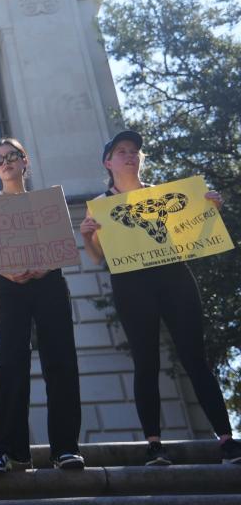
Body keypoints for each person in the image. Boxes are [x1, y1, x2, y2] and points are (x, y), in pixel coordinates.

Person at [80, 130, 241, 466]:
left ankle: (226, 441)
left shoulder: (170, 195)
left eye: (135, 151)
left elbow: (198, 235)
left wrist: (210, 209)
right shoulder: (101, 206)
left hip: (175, 279)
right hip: (132, 286)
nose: (130, 155)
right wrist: (88, 238)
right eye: (122, 151)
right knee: (146, 362)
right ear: (108, 161)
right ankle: (154, 445)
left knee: (196, 359)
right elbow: (98, 258)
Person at [0, 138, 84, 474]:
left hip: (49, 281)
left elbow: (61, 245)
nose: (5, 162)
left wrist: (46, 265)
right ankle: (7, 449)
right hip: (8, 285)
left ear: (25, 162)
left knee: (61, 359)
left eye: (12, 156)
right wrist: (6, 269)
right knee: (10, 362)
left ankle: (65, 448)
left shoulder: (46, 203)